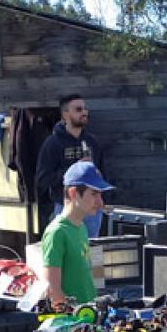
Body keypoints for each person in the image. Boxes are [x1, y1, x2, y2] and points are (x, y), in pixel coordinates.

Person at [40, 161, 120, 332]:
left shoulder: (82, 228)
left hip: (91, 320)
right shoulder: (57, 231)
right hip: (77, 329)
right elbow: (54, 288)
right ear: (74, 193)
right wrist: (71, 325)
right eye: (95, 194)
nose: (100, 200)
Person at [35, 94, 110, 239]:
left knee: (89, 253)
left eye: (85, 109)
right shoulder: (53, 144)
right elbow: (42, 179)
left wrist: (101, 199)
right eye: (78, 109)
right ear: (65, 114)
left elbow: (104, 174)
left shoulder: (92, 142)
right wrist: (75, 170)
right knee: (67, 252)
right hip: (66, 207)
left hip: (92, 209)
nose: (84, 112)